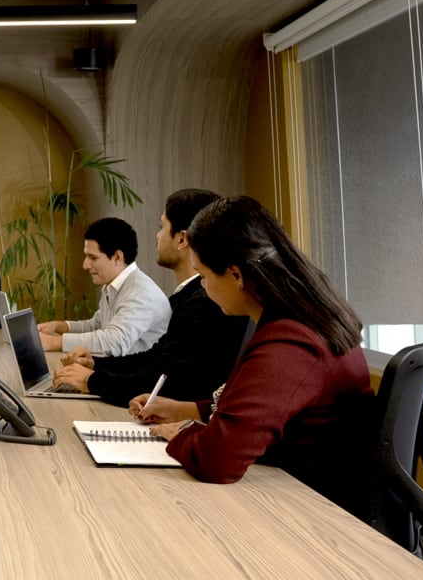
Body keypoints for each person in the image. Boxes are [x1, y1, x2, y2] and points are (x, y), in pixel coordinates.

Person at [130, 195, 376, 515]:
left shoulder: (290, 343)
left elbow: (217, 460)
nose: (203, 287)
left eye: (203, 276)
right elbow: (269, 405)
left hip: (311, 509)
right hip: (308, 488)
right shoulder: (306, 311)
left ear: (235, 275)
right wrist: (186, 409)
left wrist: (182, 433)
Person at [53, 189, 249, 404]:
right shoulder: (186, 298)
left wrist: (92, 380)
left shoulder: (202, 303)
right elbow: (153, 359)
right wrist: (96, 365)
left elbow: (162, 383)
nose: (157, 235)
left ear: (182, 239)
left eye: (161, 227)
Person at [36, 217, 170, 356]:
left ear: (118, 257)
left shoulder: (141, 294)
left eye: (93, 258)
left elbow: (113, 342)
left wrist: (53, 342)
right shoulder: (114, 286)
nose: (85, 265)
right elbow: (96, 325)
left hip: (138, 375)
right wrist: (58, 326)